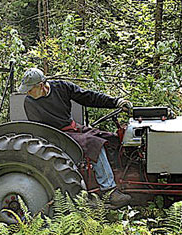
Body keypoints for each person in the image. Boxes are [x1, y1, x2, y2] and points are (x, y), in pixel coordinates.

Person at [18, 68, 133, 208]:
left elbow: (88, 97)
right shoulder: (29, 102)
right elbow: (41, 131)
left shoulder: (62, 87)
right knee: (94, 144)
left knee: (112, 139)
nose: (27, 93)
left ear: (41, 85)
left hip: (73, 128)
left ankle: (125, 179)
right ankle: (109, 191)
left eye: (30, 89)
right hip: (56, 135)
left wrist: (115, 102)